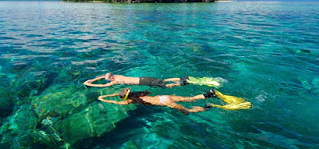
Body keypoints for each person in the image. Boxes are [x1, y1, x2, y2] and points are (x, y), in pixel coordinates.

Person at [98, 88, 219, 114]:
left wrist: (103, 98)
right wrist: (112, 94)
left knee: (187, 110)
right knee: (189, 99)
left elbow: (116, 102)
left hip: (164, 103)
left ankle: (207, 107)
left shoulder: (132, 101)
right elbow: (121, 95)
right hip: (164, 97)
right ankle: (208, 94)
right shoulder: (138, 93)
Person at [84, 72, 222, 88]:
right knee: (163, 80)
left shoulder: (116, 82)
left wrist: (89, 84)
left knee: (165, 86)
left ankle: (182, 83)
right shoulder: (116, 76)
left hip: (143, 82)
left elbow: (102, 86)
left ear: (111, 79)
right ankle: (181, 77)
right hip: (143, 77)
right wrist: (93, 79)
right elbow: (104, 77)